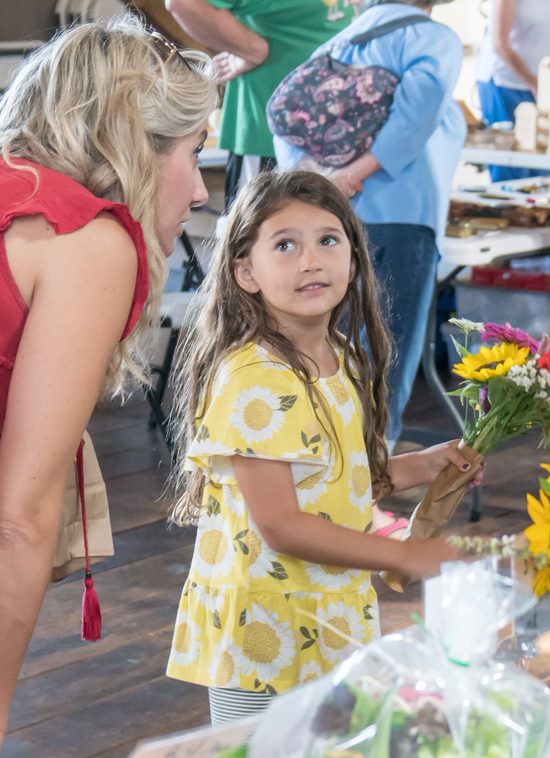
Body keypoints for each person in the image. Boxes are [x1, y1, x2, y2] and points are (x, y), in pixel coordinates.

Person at [164, 171, 473, 724]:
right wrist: (402, 553)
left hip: (326, 612)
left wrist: (422, 466)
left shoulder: (341, 356)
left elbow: (338, 479)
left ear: (353, 259)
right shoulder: (253, 378)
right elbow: (282, 523)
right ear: (245, 273)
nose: (312, 260)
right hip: (262, 630)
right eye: (286, 245)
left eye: (329, 240)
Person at [0, 19, 215, 741]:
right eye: (195, 153)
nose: (200, 192)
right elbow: (18, 518)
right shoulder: (85, 239)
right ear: (136, 144)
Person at [275, 0, 465, 444]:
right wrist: (350, 176)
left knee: (328, 356)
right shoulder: (433, 40)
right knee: (384, 362)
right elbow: (416, 117)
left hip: (329, 226)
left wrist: (320, 181)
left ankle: (321, 478)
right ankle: (369, 488)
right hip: (403, 219)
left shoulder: (339, 42)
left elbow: (286, 116)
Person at [166, 0, 355, 205]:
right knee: (256, 229)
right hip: (273, 135)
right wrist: (253, 49)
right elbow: (183, 3)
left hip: (339, 128)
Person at [475, 0, 550, 181]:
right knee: (511, 169)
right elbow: (499, 44)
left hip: (539, 85)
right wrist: (534, 83)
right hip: (505, 83)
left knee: (539, 167)